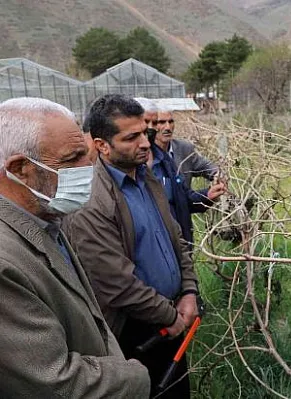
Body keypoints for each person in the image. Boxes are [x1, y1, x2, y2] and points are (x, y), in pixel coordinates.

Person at [0, 97, 150, 398]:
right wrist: (136, 377)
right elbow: (52, 381)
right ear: (21, 168)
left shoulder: (45, 217)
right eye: (73, 158)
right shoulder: (6, 262)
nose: (89, 166)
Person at [64, 94, 201, 398]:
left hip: (171, 317)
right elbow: (115, 283)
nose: (144, 143)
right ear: (102, 145)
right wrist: (171, 317)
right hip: (134, 331)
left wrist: (189, 291)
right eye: (132, 137)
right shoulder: (92, 201)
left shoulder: (144, 176)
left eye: (144, 133)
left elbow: (175, 238)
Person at [138, 98, 226, 251]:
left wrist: (209, 193)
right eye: (160, 122)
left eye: (170, 122)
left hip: (180, 240)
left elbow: (183, 198)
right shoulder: (134, 166)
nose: (167, 127)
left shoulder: (170, 158)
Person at [155, 106, 217, 189]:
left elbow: (206, 166)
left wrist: (217, 175)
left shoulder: (184, 149)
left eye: (170, 122)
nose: (168, 127)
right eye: (162, 122)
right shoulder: (146, 154)